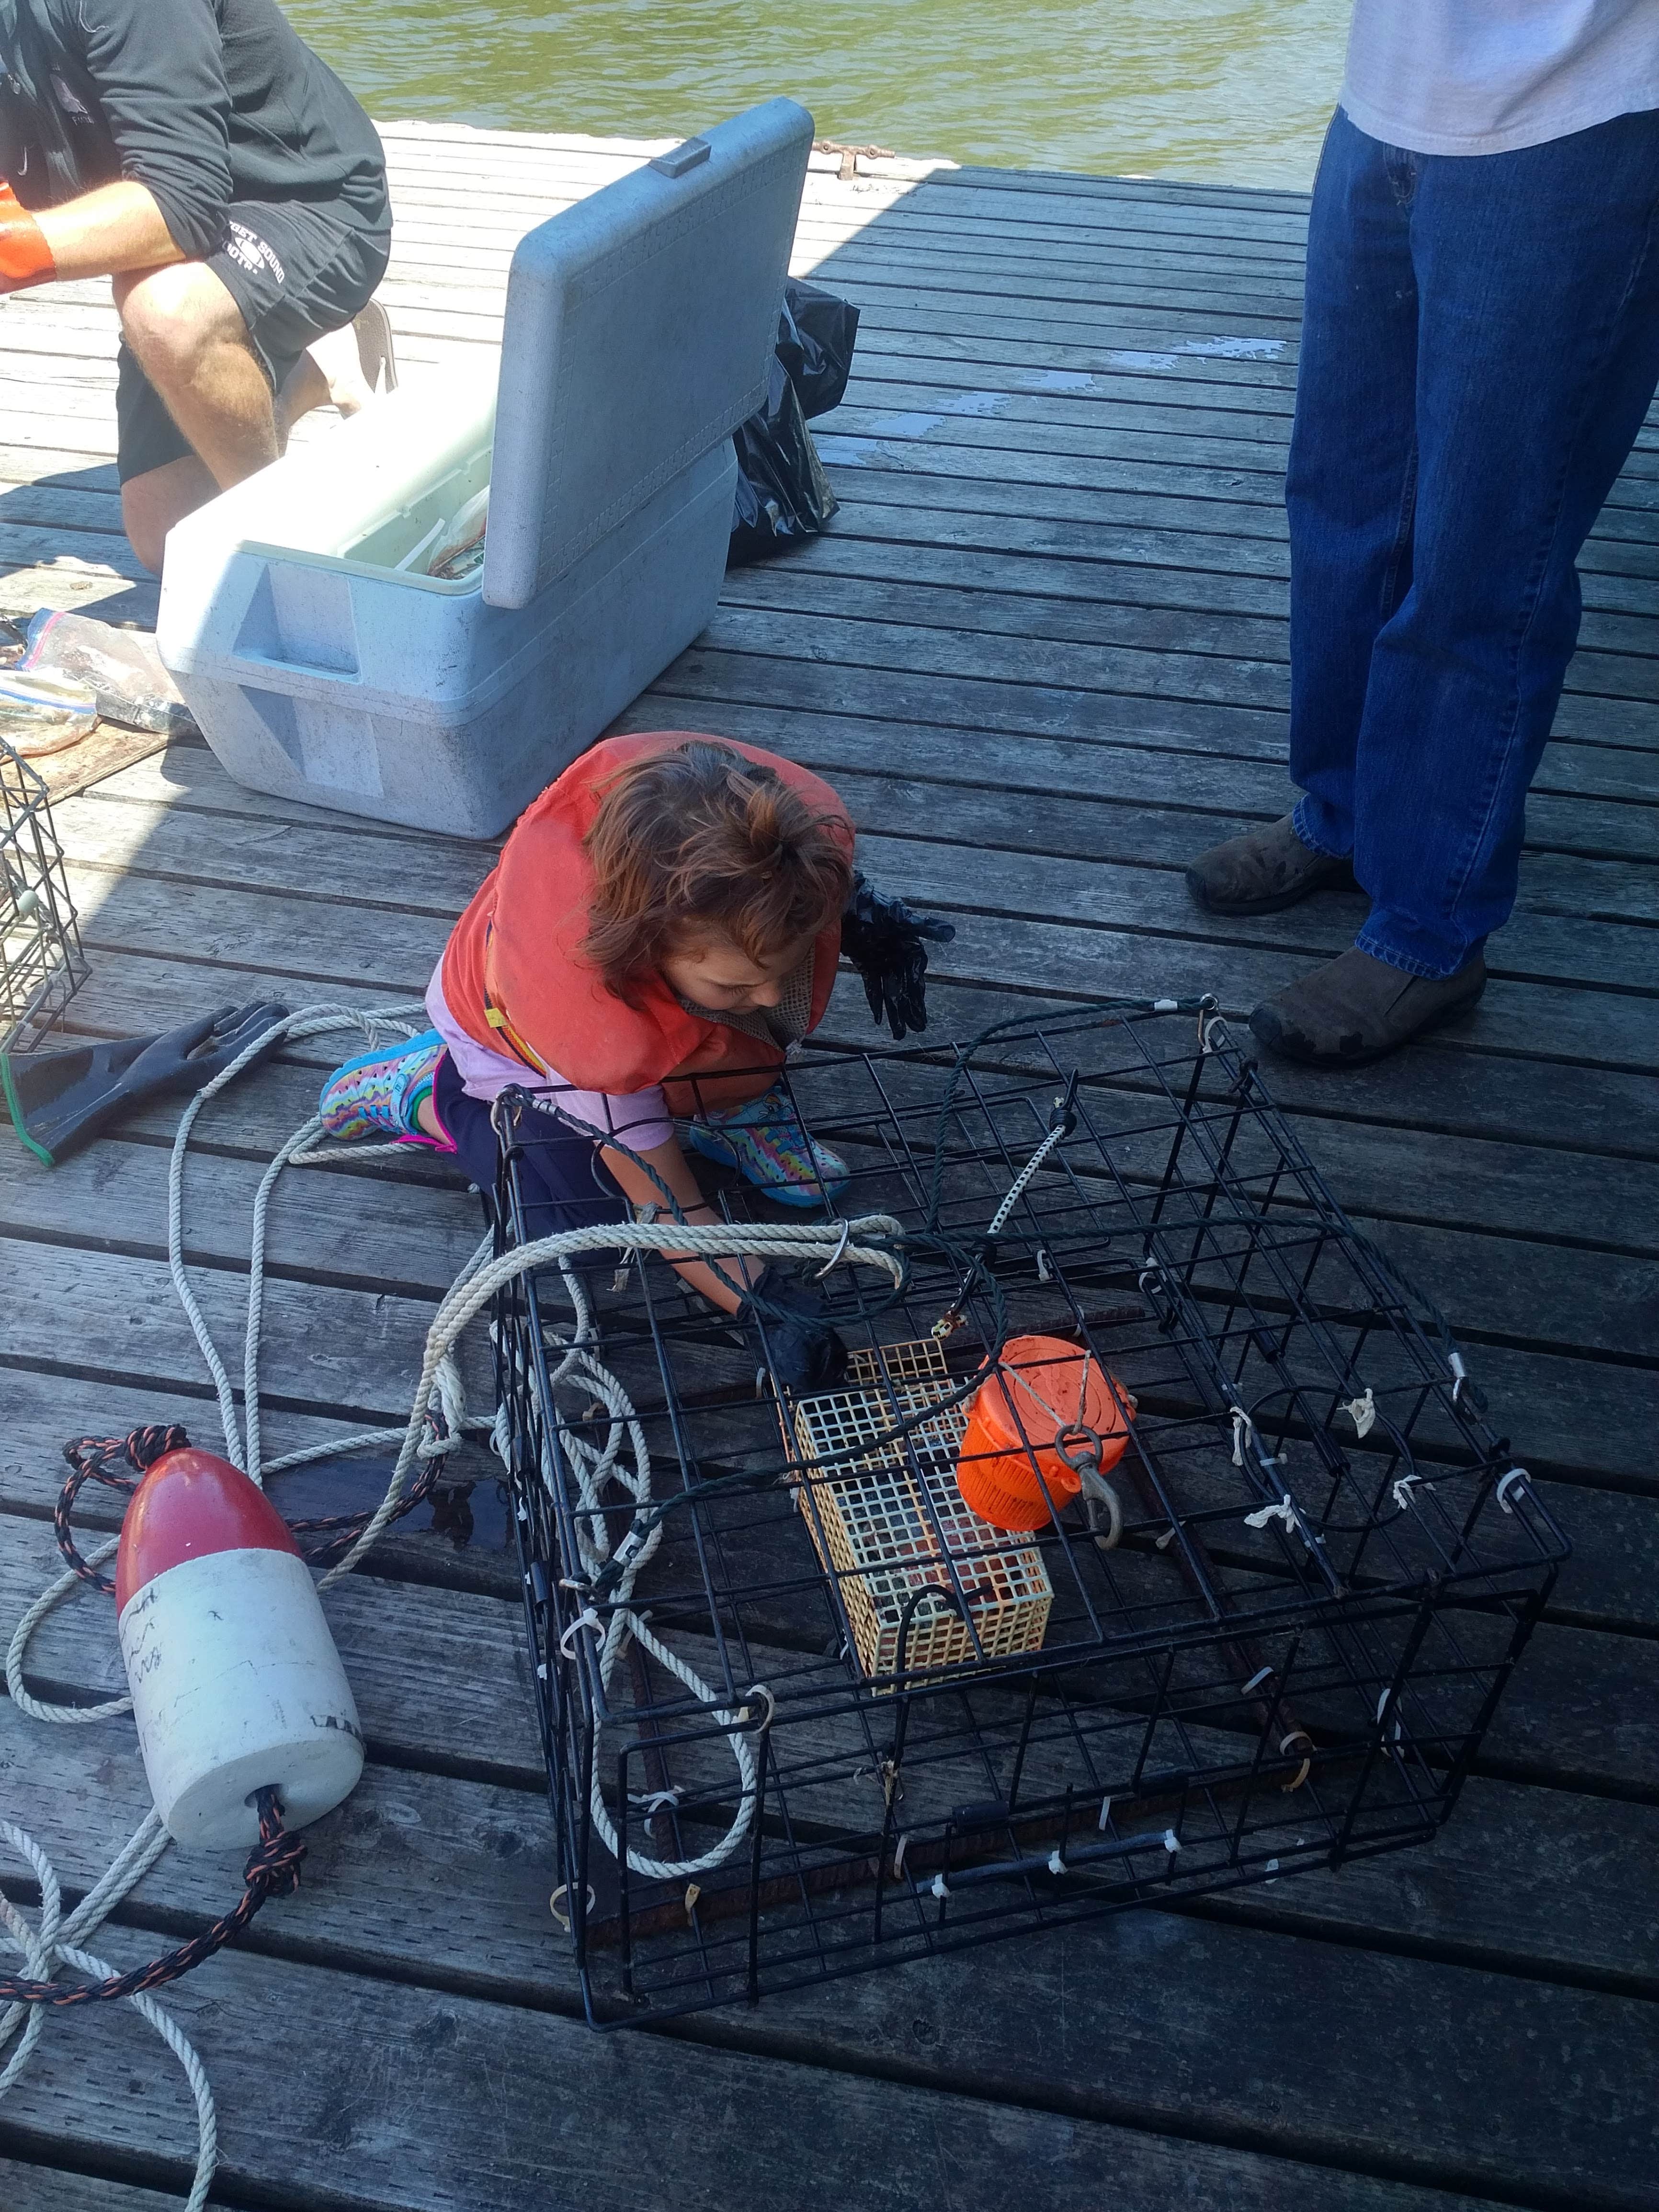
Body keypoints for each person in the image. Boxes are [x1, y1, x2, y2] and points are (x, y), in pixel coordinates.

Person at [1186, 3, 1659, 1066]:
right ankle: (1345, 814)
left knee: (1484, 559)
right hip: (1387, 103)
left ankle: (1429, 929)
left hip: (1580, 125)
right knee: (1342, 502)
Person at [315, 731, 952, 1389]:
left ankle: (726, 1102)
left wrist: (859, 913)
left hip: (665, 1002)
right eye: (737, 986)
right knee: (578, 1217)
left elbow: (775, 904)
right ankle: (428, 1090)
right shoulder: (596, 1024)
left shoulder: (722, 916)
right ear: (647, 952)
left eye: (774, 972)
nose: (766, 996)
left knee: (750, 1011)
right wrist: (763, 1305)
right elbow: (670, 1213)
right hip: (510, 1047)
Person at [0, 0, 391, 572]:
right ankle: (311, 368)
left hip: (309, 204)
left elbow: (181, 207)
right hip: (181, 217)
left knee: (167, 312)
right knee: (173, 542)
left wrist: (12, 252)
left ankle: (282, 557)